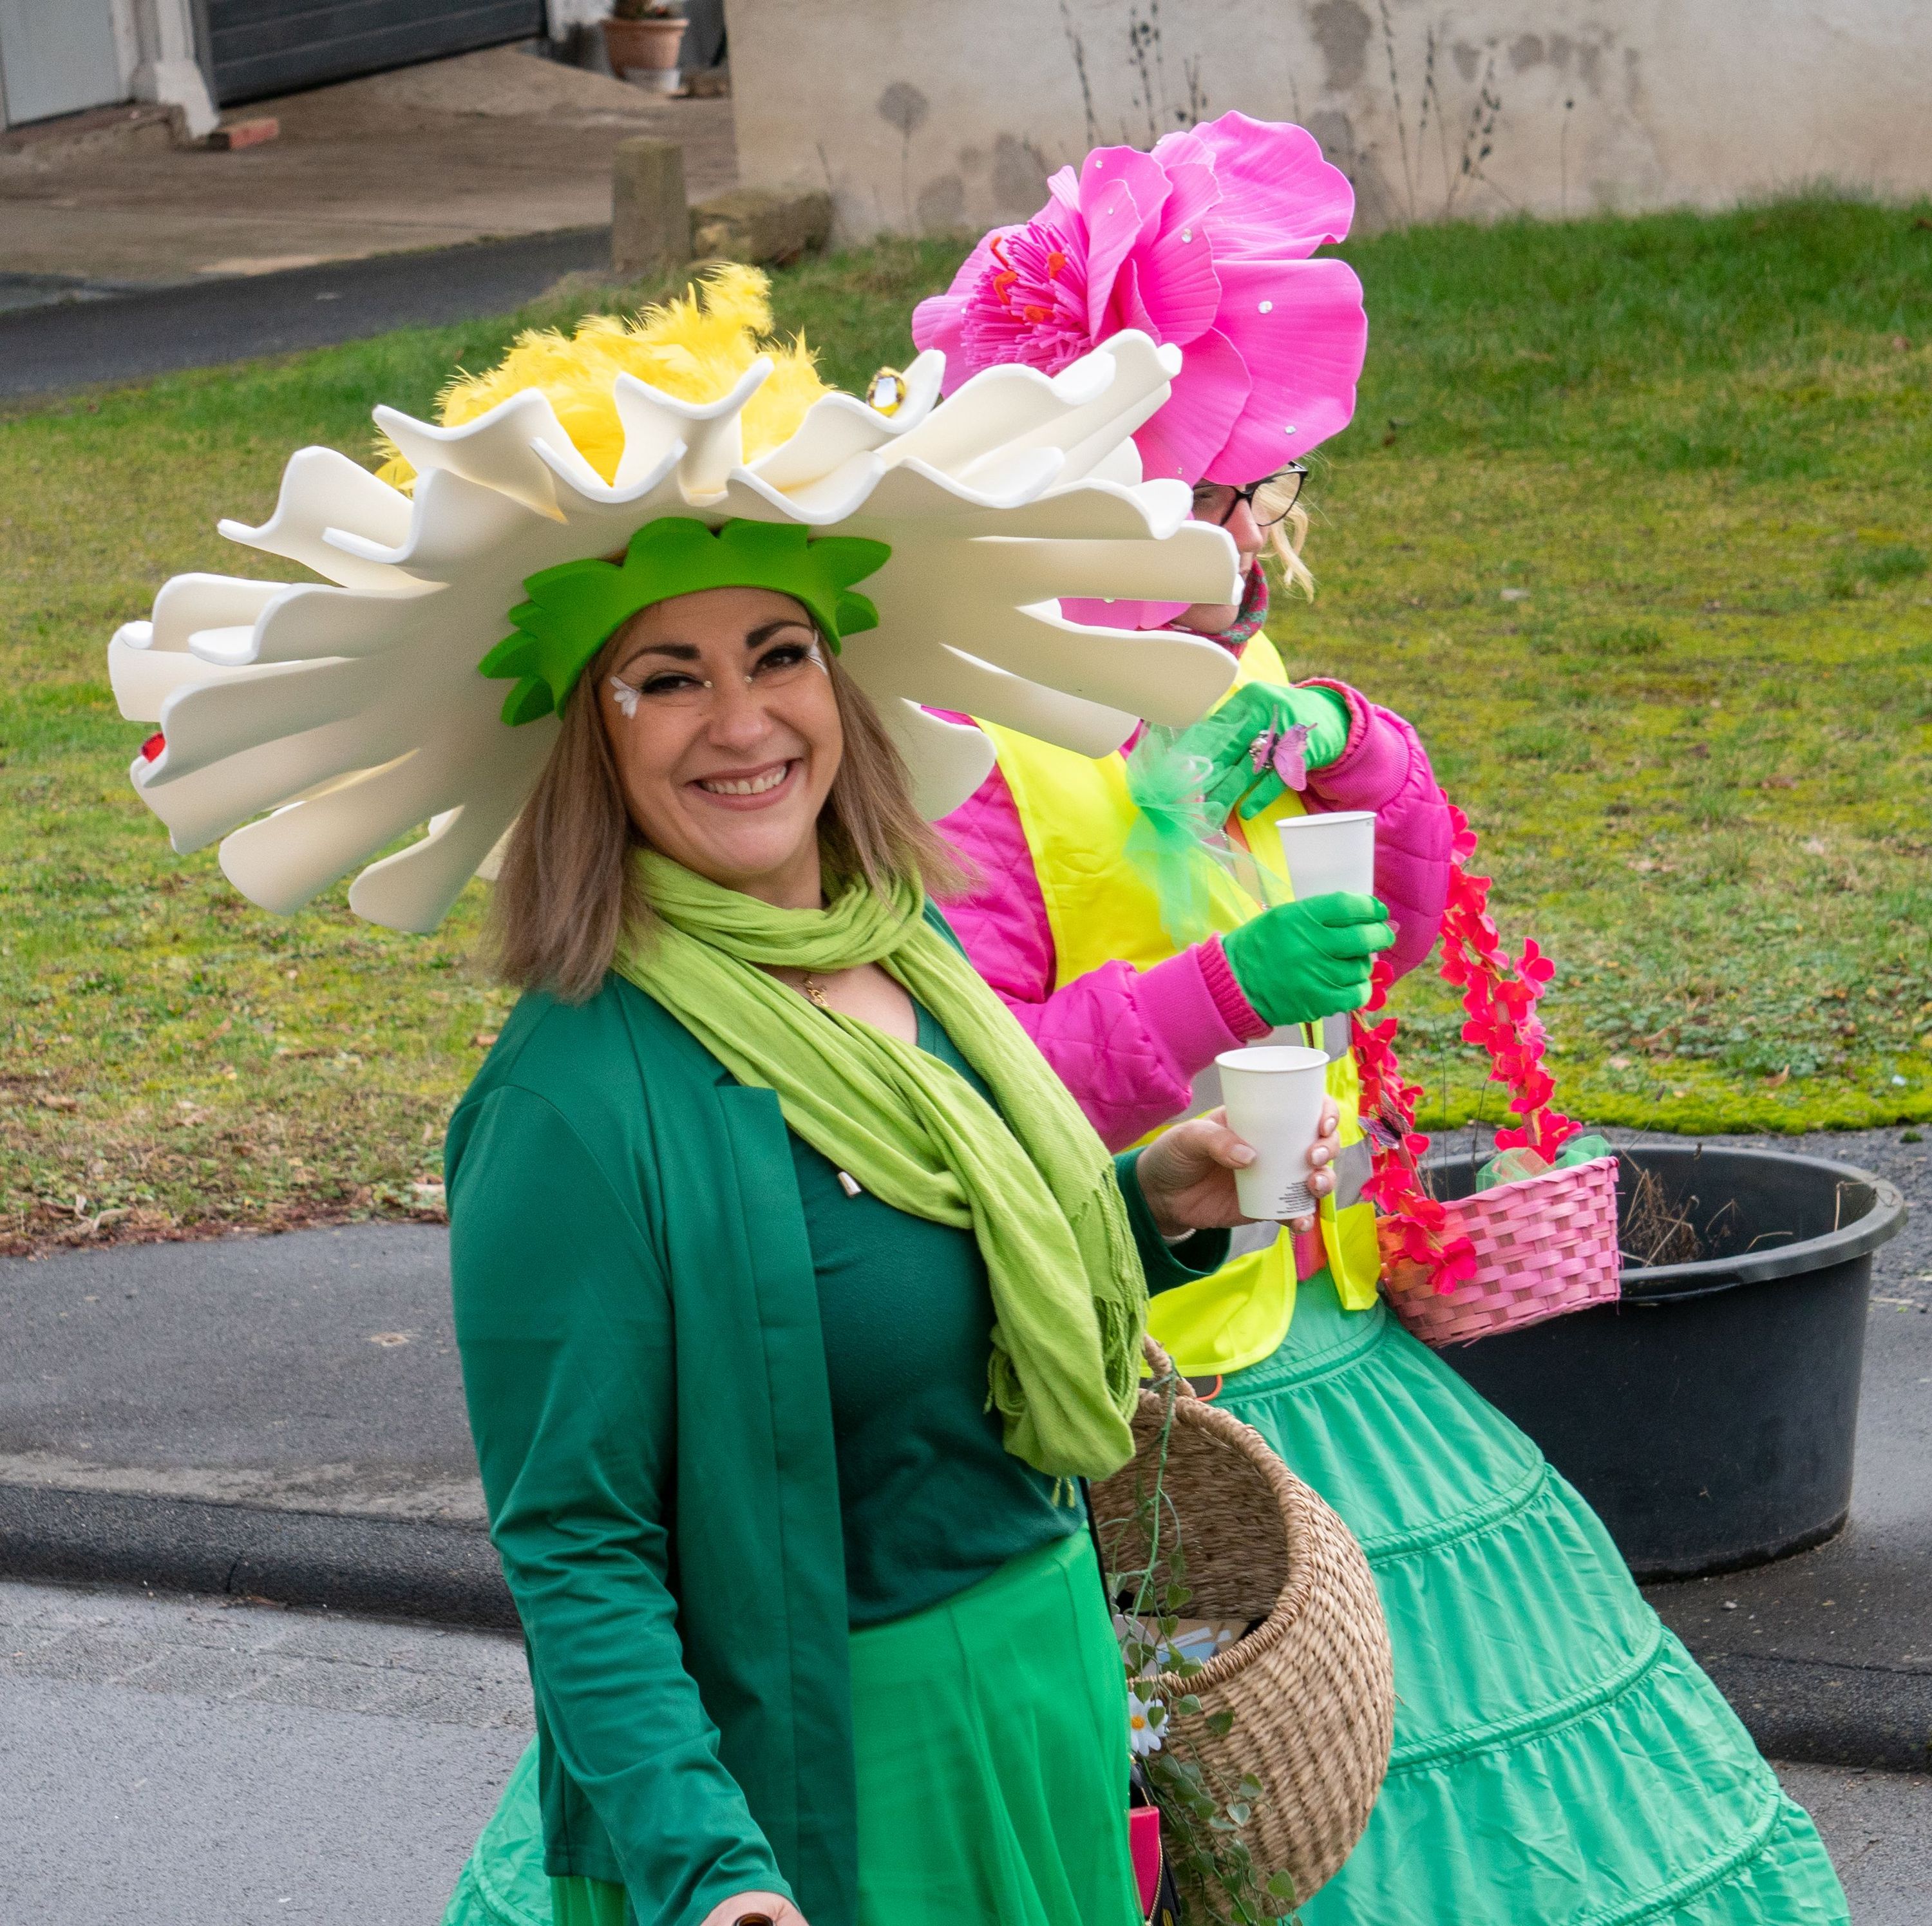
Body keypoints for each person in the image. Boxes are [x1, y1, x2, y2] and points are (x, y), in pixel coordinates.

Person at [107, 269, 1355, 1926]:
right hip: (828, 1769)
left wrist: (1151, 1204)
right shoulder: (571, 1099)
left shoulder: (906, 961)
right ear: (591, 740)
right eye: (668, 677)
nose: (743, 718)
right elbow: (578, 1544)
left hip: (1042, 1691)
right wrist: (714, 1873)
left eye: (779, 653)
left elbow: (948, 1288)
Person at [911, 112, 1851, 1924]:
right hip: (1127, 1372)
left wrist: (1360, 747)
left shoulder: (1235, 662)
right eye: (1192, 488)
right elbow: (963, 1083)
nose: (1236, 522)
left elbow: (1389, 932)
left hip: (1321, 1319)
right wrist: (1216, 1001)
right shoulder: (970, 744)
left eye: (1234, 487)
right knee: (1187, 1815)